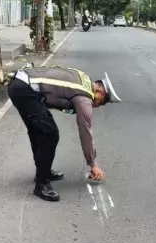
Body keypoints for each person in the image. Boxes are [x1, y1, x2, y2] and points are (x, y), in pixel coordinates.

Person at [7, 65, 121, 202]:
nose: (96, 106)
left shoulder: (83, 78)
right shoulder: (84, 99)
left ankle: (43, 172)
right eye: (100, 103)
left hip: (20, 84)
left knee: (39, 130)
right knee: (49, 135)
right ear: (99, 92)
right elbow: (86, 132)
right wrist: (93, 165)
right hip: (25, 91)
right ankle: (41, 184)